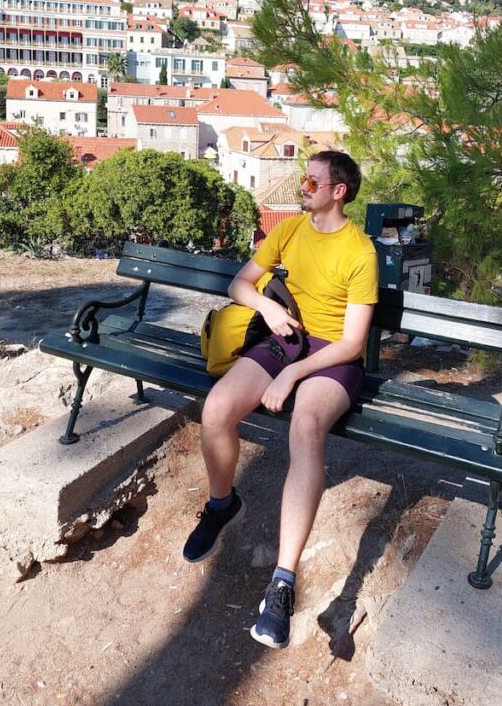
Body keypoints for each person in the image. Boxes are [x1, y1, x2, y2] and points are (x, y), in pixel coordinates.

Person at [182, 150, 378, 650]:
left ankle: (282, 584)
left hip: (331, 357)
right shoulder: (289, 231)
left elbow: (352, 342)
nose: (302, 186)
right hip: (284, 338)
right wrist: (266, 308)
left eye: (312, 180)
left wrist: (293, 373)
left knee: (305, 429)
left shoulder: (360, 252)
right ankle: (222, 504)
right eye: (303, 178)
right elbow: (239, 283)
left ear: (338, 191)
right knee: (216, 409)